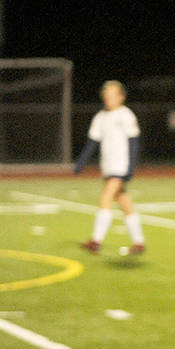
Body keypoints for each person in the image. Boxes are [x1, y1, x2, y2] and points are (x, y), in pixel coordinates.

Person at [74, 80, 145, 255]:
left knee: (105, 197)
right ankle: (139, 242)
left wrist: (131, 167)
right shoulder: (100, 117)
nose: (109, 98)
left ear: (121, 97)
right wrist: (82, 162)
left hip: (120, 166)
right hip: (108, 166)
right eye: (107, 95)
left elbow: (133, 142)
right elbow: (93, 142)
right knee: (124, 201)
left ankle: (96, 241)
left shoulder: (126, 115)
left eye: (113, 95)